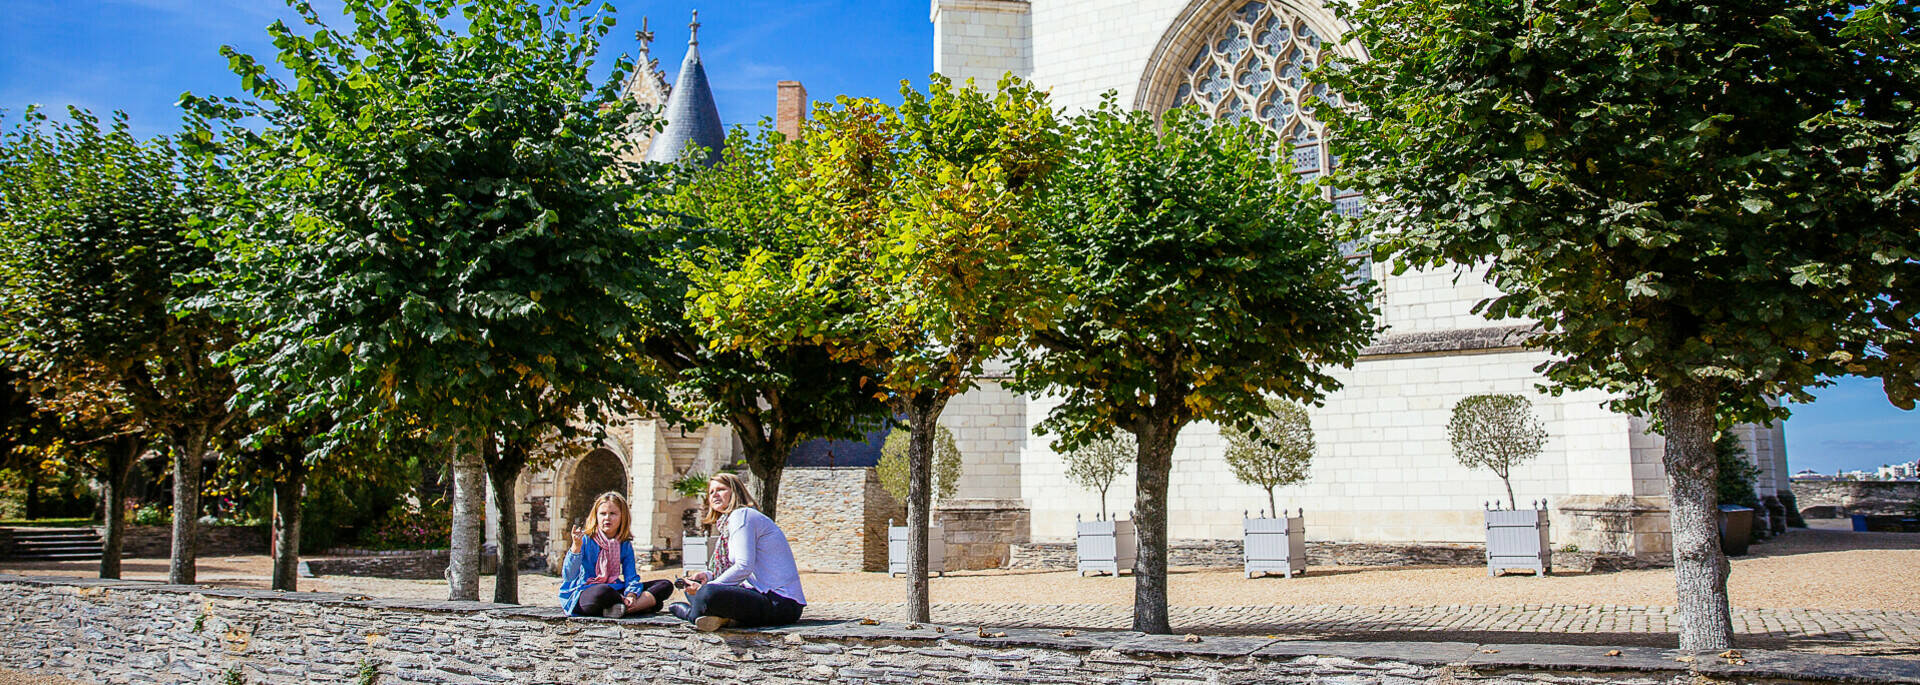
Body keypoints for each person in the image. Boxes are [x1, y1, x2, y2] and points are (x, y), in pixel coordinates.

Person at [670, 473, 806, 631]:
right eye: (711, 492)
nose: (715, 495)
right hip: (759, 594)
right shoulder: (728, 523)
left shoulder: (742, 516)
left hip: (781, 602)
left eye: (721, 489)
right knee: (700, 588)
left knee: (706, 593)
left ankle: (692, 615)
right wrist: (709, 576)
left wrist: (707, 588)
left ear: (735, 492)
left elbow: (743, 566)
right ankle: (719, 618)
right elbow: (734, 569)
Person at [559, 491, 673, 618]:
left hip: (615, 588)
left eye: (612, 514)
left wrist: (631, 595)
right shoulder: (585, 539)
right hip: (587, 592)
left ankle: (621, 609)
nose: (607, 518)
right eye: (602, 514)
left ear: (622, 517)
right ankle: (641, 606)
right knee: (602, 591)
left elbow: (631, 576)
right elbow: (568, 576)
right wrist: (576, 547)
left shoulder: (624, 544)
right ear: (596, 516)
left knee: (665, 585)